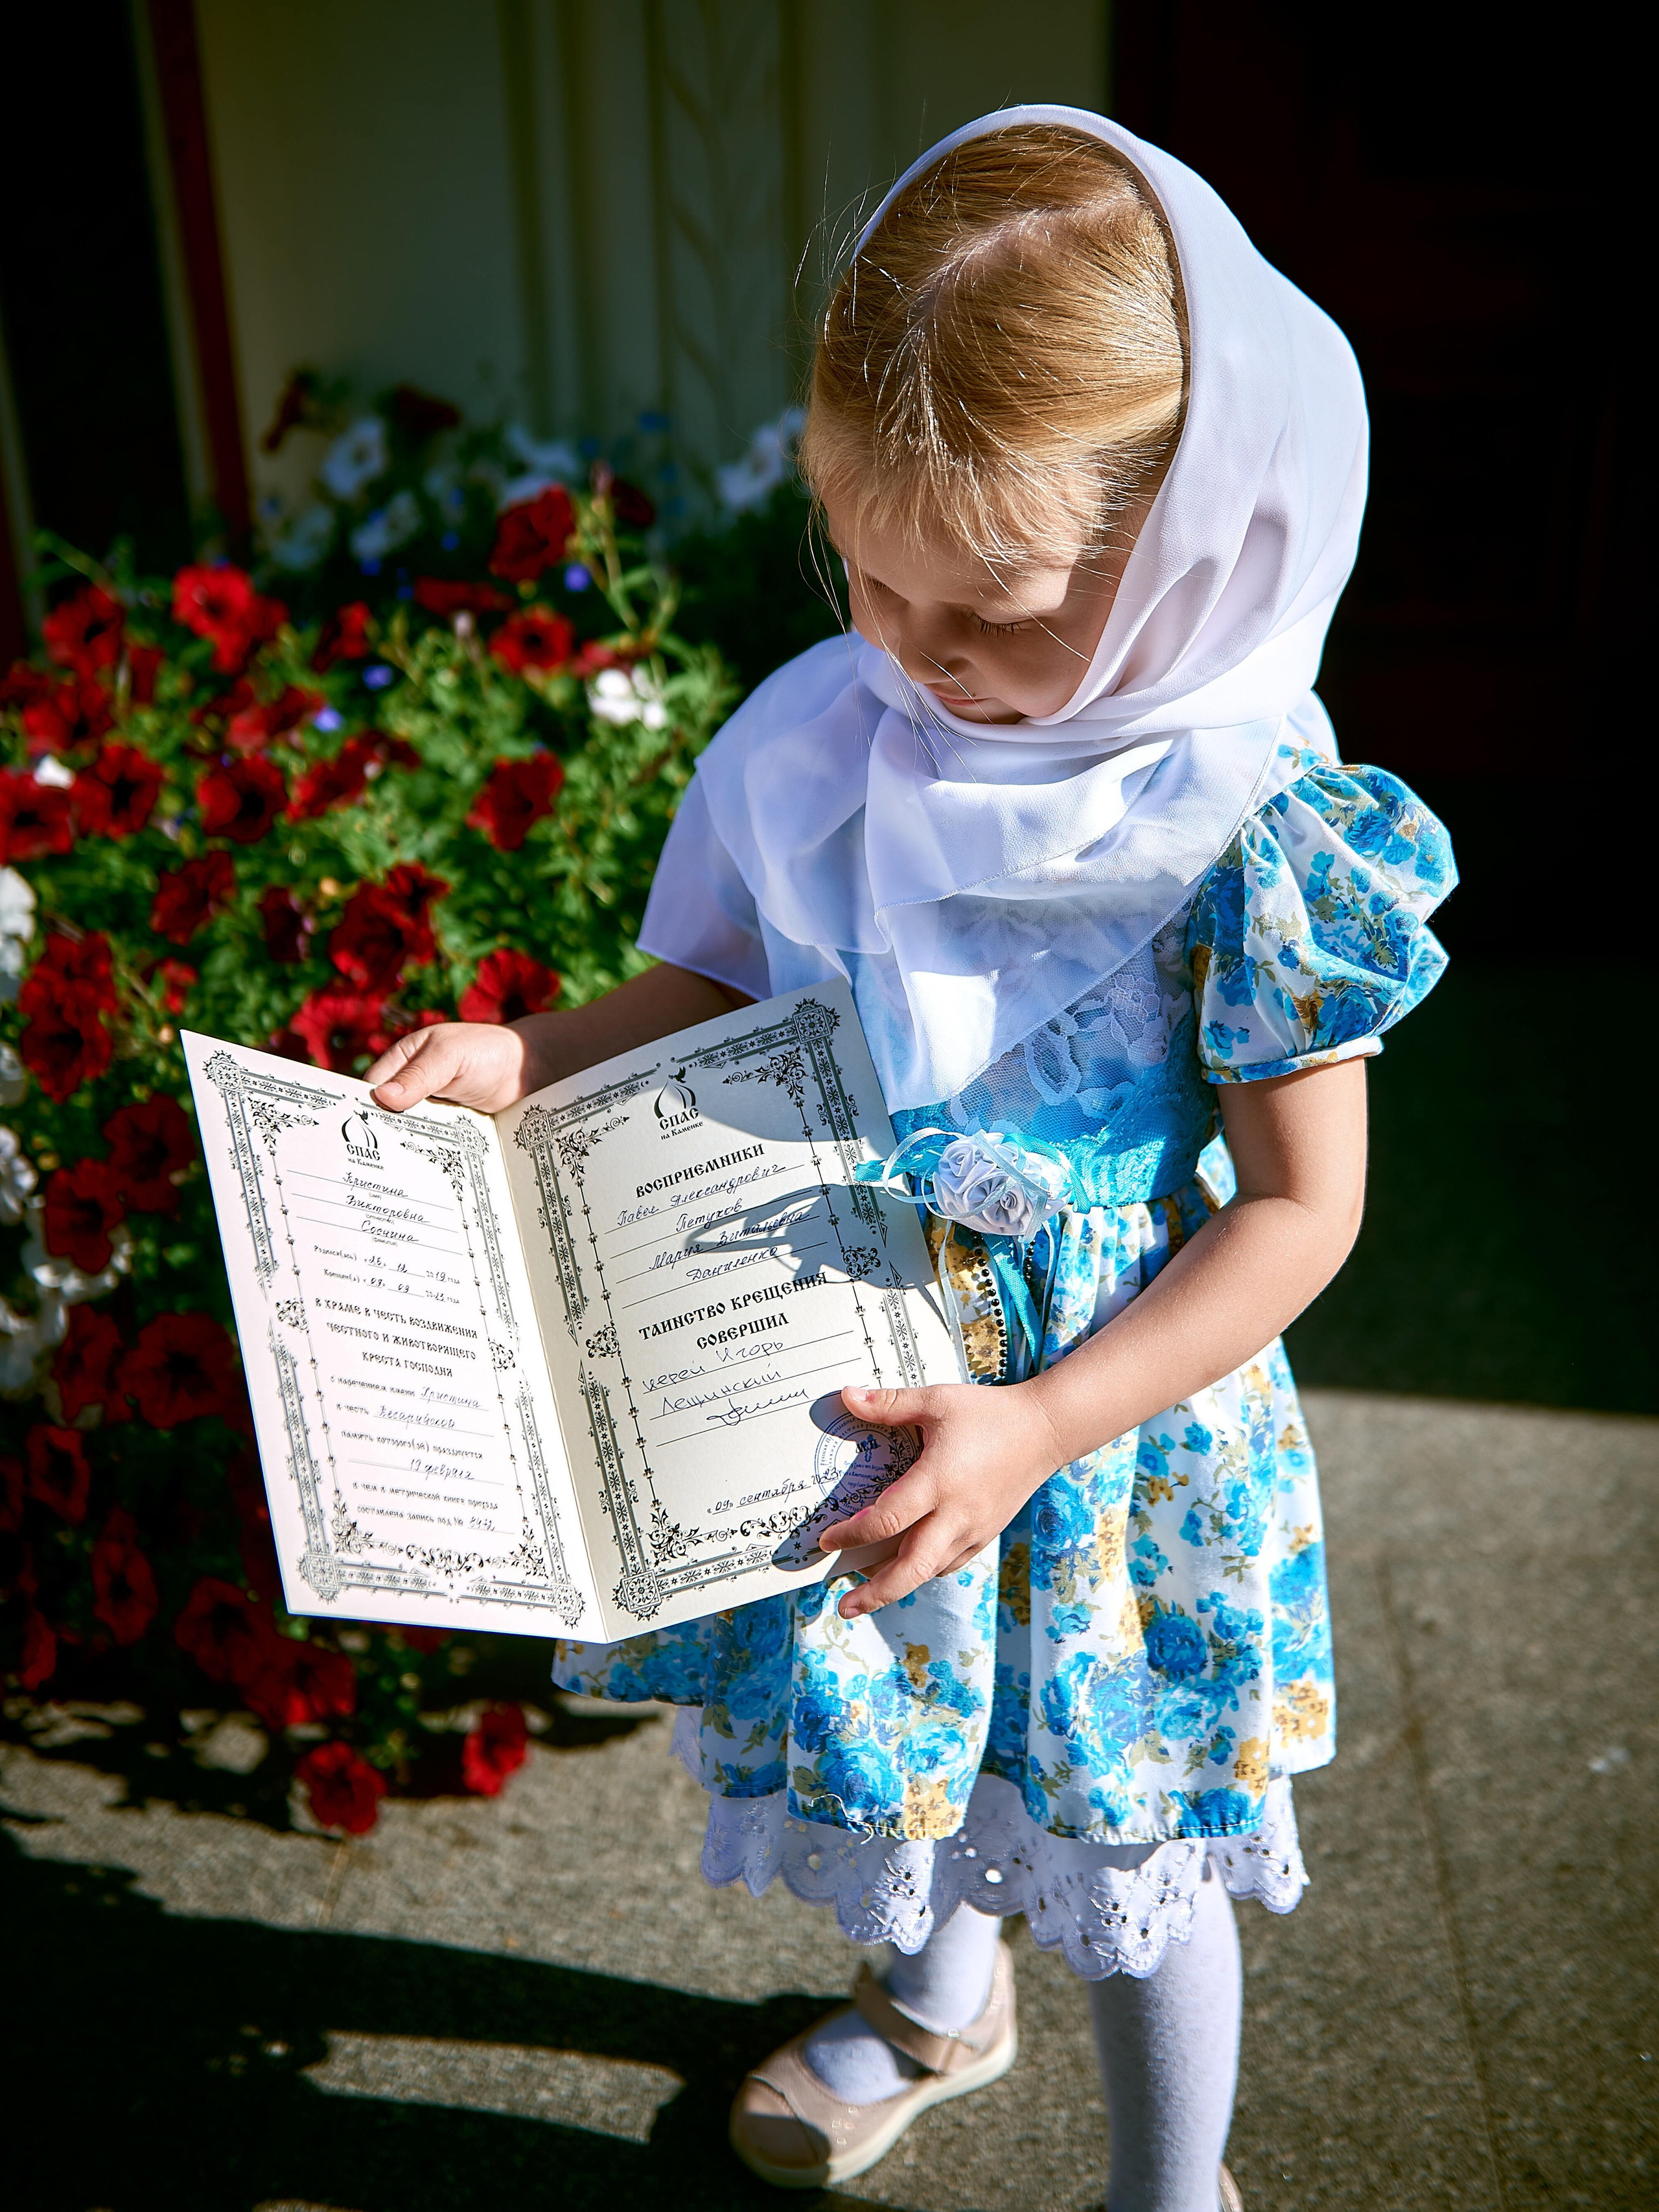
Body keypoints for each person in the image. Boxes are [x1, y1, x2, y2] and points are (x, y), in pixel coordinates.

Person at [366, 105, 1454, 2212]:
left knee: (1125, 1830)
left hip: (1113, 1423)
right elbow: (712, 989)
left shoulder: (1252, 827)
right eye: (863, 569)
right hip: (853, 1351)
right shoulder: (826, 738)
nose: (915, 653)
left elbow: (1308, 1210)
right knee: (911, 1731)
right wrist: (530, 1057)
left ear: (1197, 551)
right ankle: (945, 1997)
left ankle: (1173, 2186)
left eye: (999, 610)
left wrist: (1045, 1417)